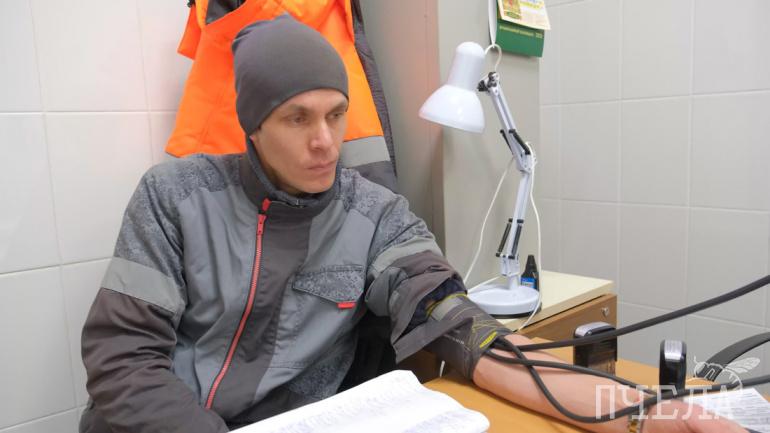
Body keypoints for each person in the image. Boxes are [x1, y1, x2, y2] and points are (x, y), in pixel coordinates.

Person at [79, 15, 746, 433]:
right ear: (252, 125)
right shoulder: (174, 197)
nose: (326, 141)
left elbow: (467, 332)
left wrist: (639, 412)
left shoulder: (374, 213)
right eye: (297, 118)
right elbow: (121, 359)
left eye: (335, 114)